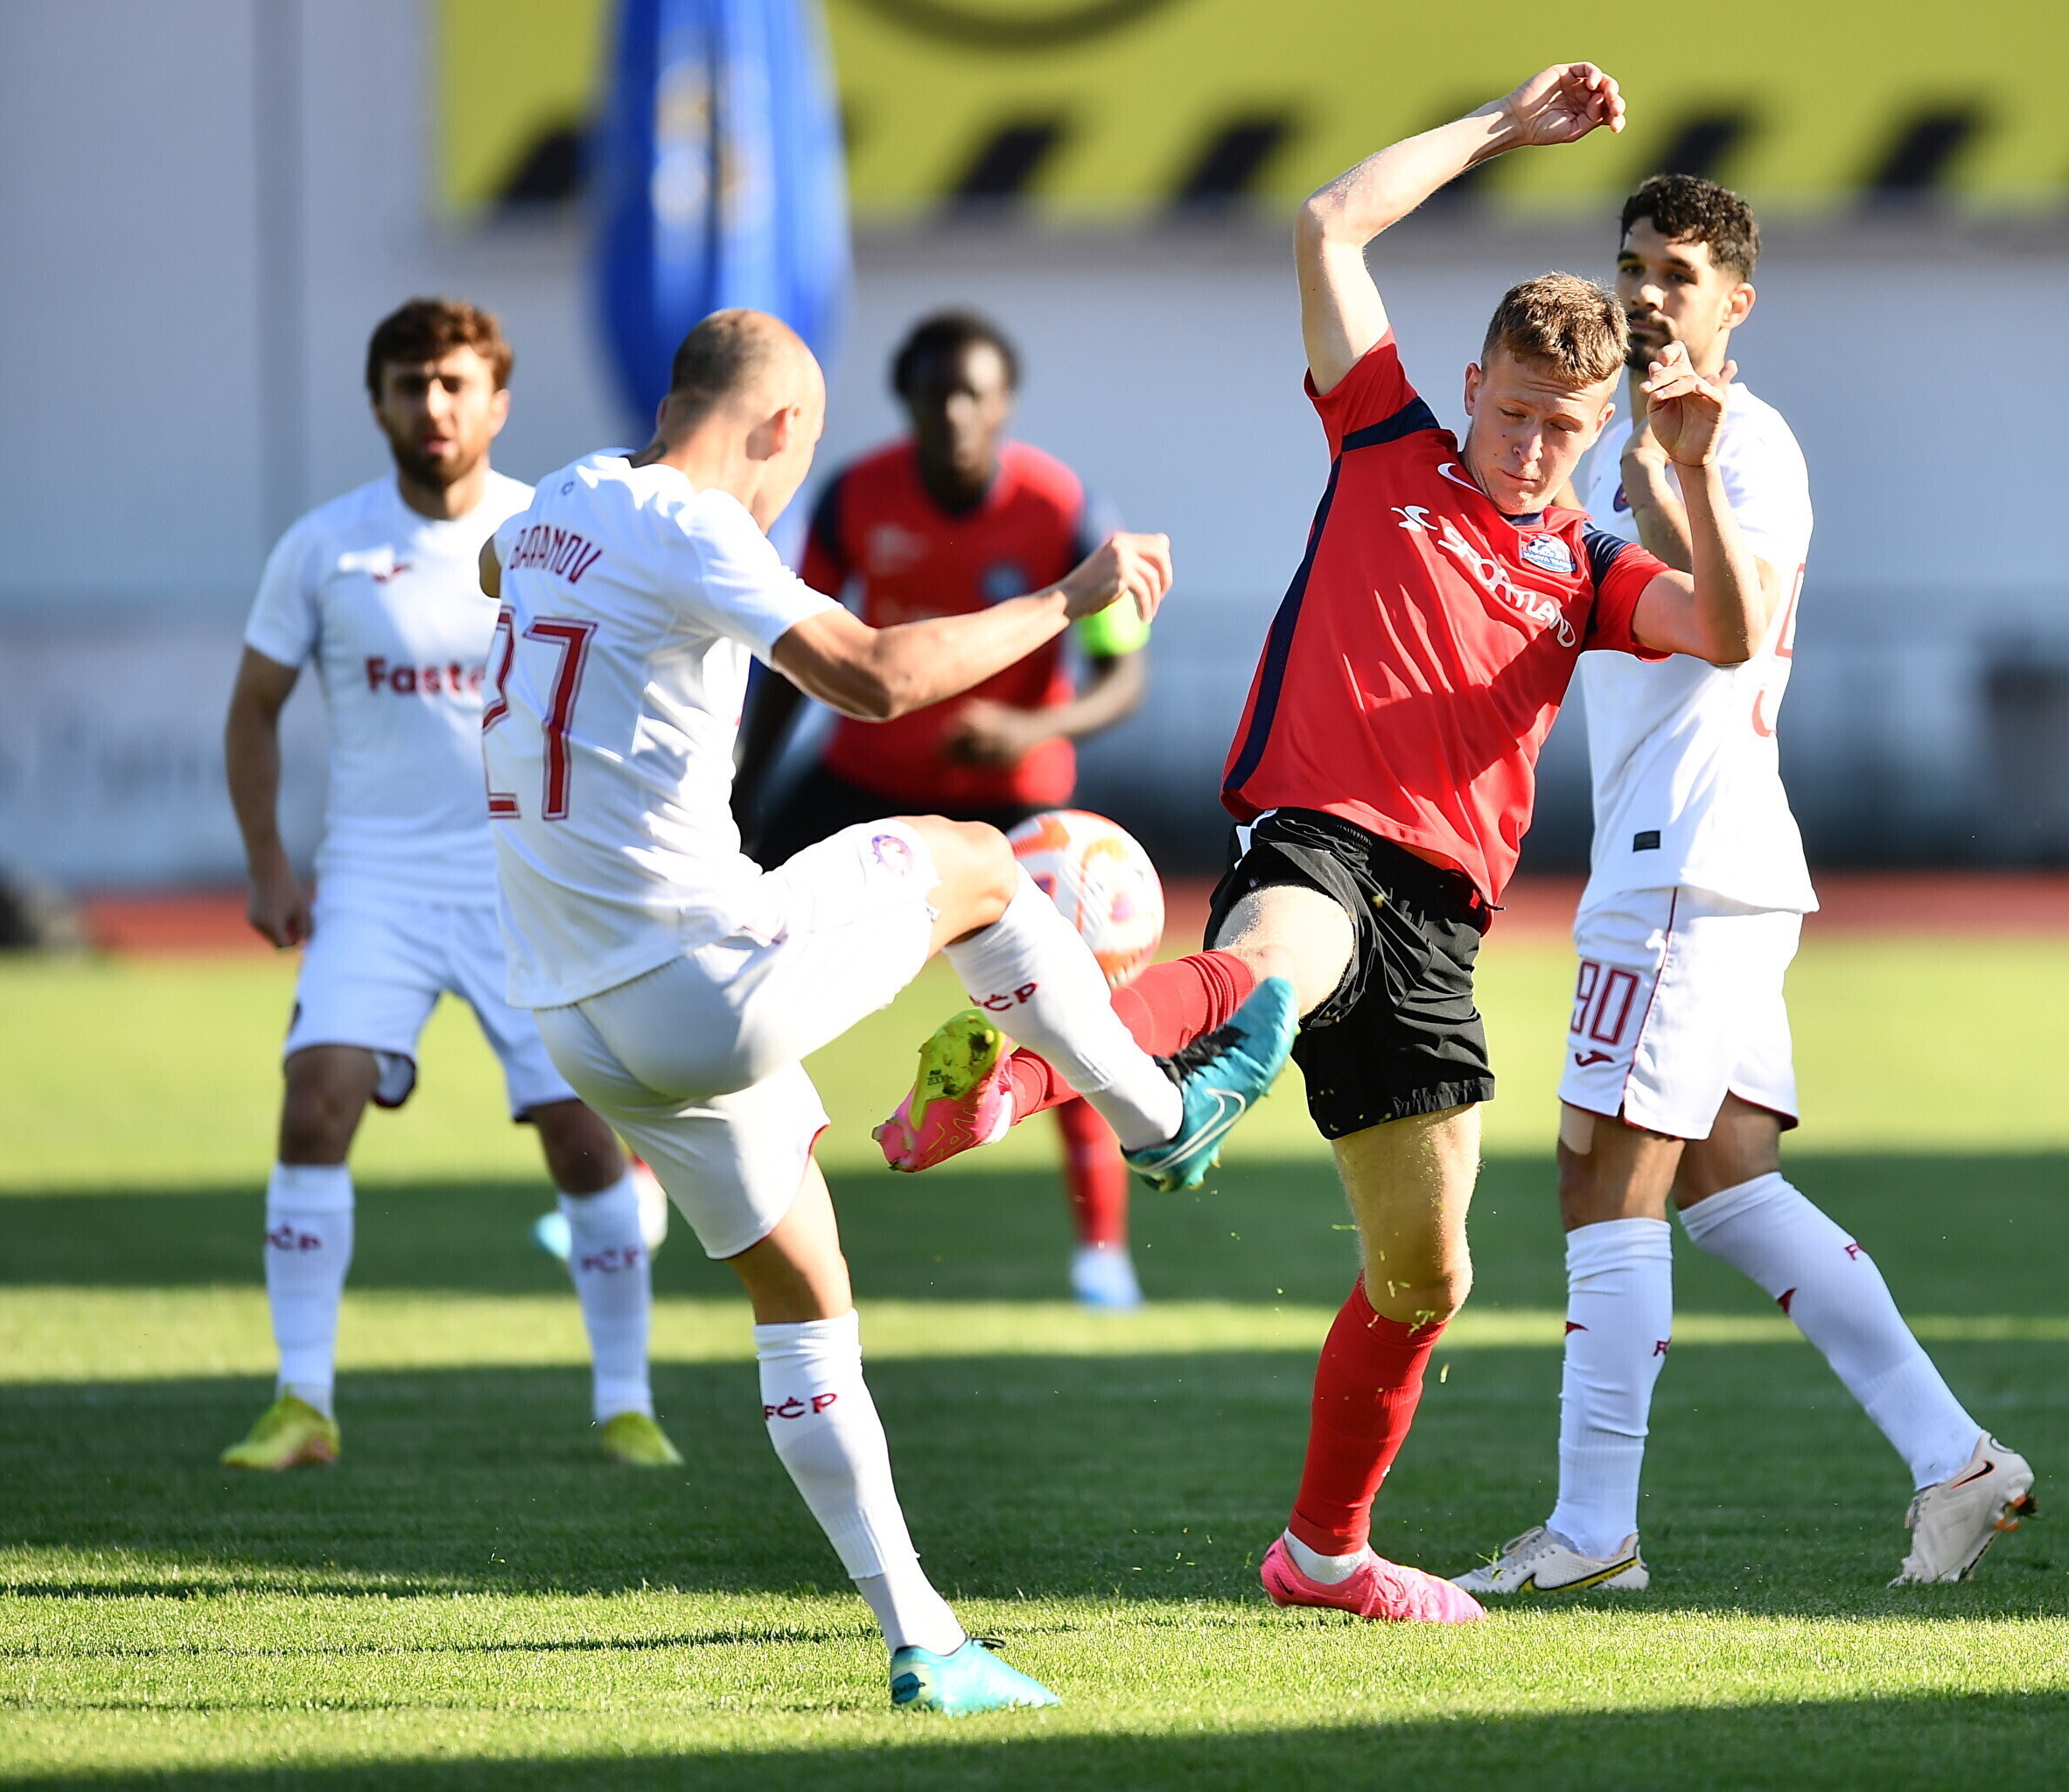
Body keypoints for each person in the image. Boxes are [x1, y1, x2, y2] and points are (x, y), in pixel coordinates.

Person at [880, 66, 1765, 1624]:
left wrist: (1684, 467)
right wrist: (1501, 130)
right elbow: (1327, 222)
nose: (1530, 449)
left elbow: (1731, 632)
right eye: (1511, 412)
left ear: (1597, 424)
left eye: (1564, 429)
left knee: (1426, 1279)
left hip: (1441, 929)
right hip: (1313, 840)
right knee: (1267, 968)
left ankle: (1323, 1554)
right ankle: (1017, 1072)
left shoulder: (1589, 566)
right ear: (1469, 382)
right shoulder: (1383, 440)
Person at [477, 308, 1295, 1712]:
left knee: (806, 1301)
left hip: (576, 1018)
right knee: (977, 860)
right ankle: (1161, 1115)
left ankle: (927, 1642)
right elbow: (874, 678)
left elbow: (499, 561)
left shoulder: (562, 501)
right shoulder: (693, 524)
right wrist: (1071, 595)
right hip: (697, 978)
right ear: (783, 426)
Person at [1451, 177, 2036, 1595]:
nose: (1646, 293)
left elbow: (1736, 615)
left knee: (1602, 1177)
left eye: (1677, 273)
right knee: (1723, 1181)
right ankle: (1954, 1458)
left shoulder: (1740, 442)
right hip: (1704, 857)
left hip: (1683, 860)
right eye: (1630, 266)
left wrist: (1675, 476)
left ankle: (1592, 1532)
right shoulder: (1618, 440)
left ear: (1734, 302)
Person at [220, 298, 679, 1474]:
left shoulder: (550, 534)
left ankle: (626, 1405)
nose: (433, 405)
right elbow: (254, 709)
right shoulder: (323, 546)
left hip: (525, 883)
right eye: (410, 384)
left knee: (584, 1139)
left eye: (455, 383)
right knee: (313, 1103)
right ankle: (301, 1402)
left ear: (497, 402)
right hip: (374, 885)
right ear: (376, 403)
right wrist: (268, 861)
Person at [735, 310, 1153, 1311]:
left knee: (1067, 1009)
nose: (955, 413)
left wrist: (1028, 728)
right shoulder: (853, 497)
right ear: (907, 402)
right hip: (865, 778)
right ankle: (642, 1184)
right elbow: (794, 655)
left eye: (974, 394)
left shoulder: (1062, 508)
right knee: (730, 948)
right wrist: (741, 792)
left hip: (1012, 800)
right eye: (936, 395)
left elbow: (1123, 676)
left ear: (1004, 404)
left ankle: (1101, 1250)